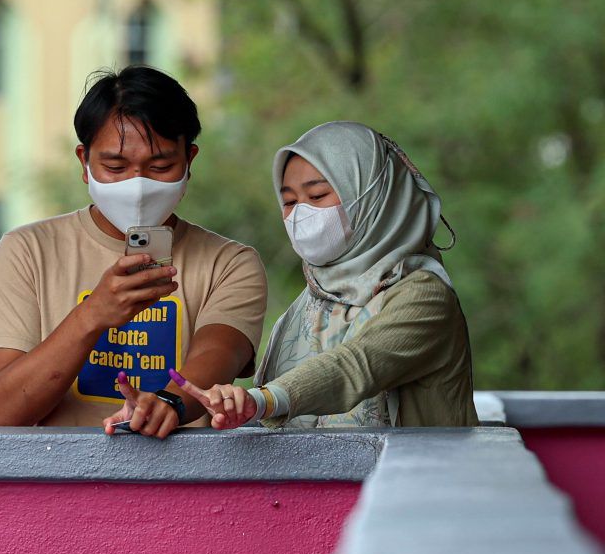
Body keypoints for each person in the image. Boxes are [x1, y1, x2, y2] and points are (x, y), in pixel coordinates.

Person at [0, 66, 267, 437]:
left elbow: (219, 354)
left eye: (160, 166)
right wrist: (93, 314)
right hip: (56, 484)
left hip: (184, 487)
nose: (138, 185)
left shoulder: (229, 263)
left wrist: (168, 403)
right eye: (115, 166)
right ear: (84, 162)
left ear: (189, 161)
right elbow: (3, 410)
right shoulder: (27, 252)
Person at [163, 121, 478, 429]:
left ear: (372, 199)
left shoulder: (425, 295)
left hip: (407, 480)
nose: (300, 213)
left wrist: (263, 401)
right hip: (325, 481)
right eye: (288, 201)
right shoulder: (314, 299)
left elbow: (355, 366)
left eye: (316, 197)